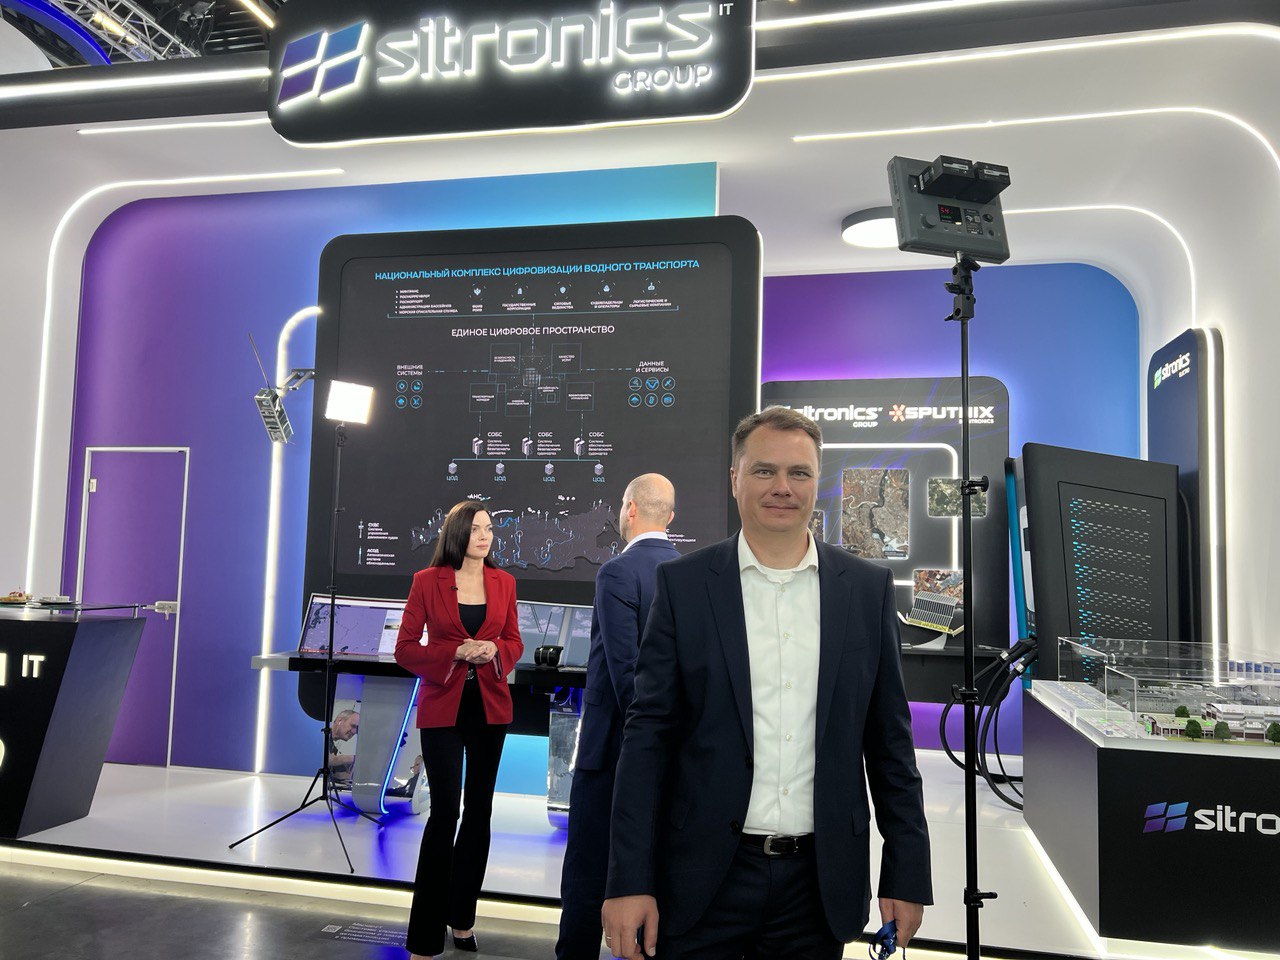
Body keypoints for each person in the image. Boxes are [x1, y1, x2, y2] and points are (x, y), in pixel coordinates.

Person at [602, 407, 932, 960]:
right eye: (764, 471)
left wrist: (907, 870)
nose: (783, 487)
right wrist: (628, 878)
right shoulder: (683, 586)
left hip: (818, 886)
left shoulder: (865, 591)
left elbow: (890, 744)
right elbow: (646, 739)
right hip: (701, 879)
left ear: (817, 481)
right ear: (735, 479)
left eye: (799, 472)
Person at [556, 474, 679, 960]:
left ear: (629, 509)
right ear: (670, 516)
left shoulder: (617, 572)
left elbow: (626, 672)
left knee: (587, 875)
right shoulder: (687, 573)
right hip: (670, 754)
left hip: (609, 753)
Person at [395, 501, 524, 960]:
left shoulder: (504, 582)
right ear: (456, 534)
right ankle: (424, 938)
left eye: (489, 529)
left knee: (479, 813)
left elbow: (514, 640)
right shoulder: (426, 581)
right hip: (443, 710)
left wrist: (494, 650)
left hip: (491, 709)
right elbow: (405, 649)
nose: (485, 536)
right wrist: (454, 653)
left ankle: (462, 918)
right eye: (476, 529)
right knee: (445, 812)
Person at [328, 708, 359, 778]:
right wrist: (353, 758)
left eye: (357, 729)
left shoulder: (333, 747)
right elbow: (325, 759)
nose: (354, 732)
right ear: (339, 721)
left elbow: (342, 776)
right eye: (353, 726)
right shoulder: (320, 737)